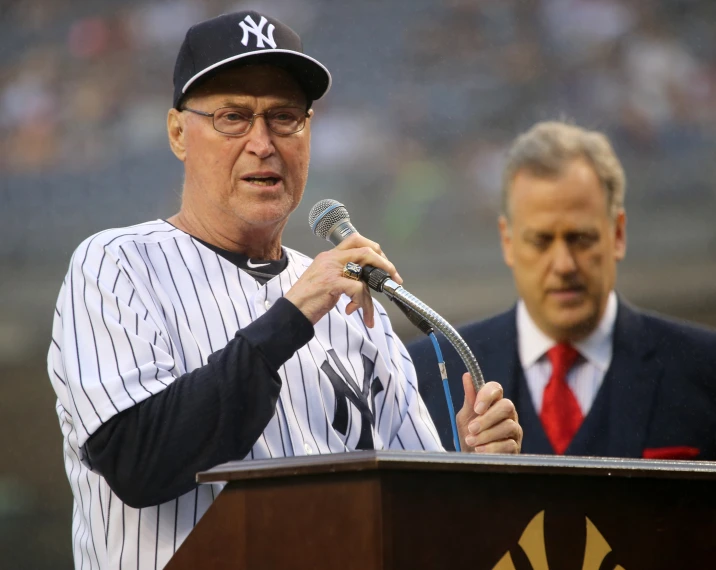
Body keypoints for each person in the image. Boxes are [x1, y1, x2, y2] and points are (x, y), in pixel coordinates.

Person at [47, 11, 522, 570]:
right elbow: (139, 462)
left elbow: (414, 522)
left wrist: (471, 471)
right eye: (232, 117)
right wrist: (291, 316)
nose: (262, 143)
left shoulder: (353, 303)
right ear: (178, 132)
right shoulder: (116, 264)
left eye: (284, 117)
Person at [409, 121, 716, 459]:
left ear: (617, 234)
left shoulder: (704, 371)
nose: (564, 264)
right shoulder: (421, 378)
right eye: (540, 240)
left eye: (580, 238)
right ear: (507, 241)